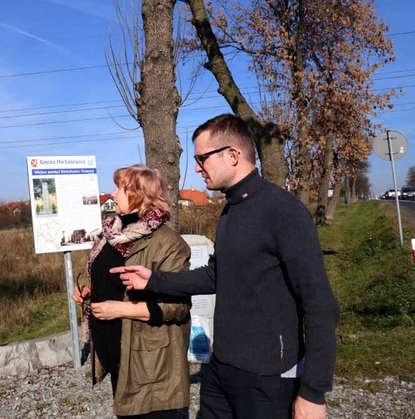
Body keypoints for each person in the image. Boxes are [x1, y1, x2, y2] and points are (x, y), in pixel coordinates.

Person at [112, 114, 340, 419]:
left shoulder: (283, 212)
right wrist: (154, 280)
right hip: (221, 370)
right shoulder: (231, 211)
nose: (196, 168)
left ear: (233, 155)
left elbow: (320, 305)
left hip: (268, 378)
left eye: (202, 158)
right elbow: (215, 275)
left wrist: (313, 392)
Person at [73, 164, 192, 418]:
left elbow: (178, 307)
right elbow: (111, 281)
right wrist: (90, 292)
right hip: (118, 354)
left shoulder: (168, 244)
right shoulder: (111, 236)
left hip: (150, 366)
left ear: (139, 194)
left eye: (120, 188)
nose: (113, 194)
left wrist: (119, 309)